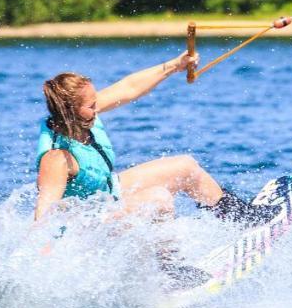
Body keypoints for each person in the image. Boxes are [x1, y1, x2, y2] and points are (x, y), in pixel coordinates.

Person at [34, 51, 278, 227]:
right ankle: (170, 270)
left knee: (185, 166)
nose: (98, 107)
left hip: (107, 194)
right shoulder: (56, 158)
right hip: (85, 225)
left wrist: (175, 65)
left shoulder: (85, 114)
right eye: (92, 105)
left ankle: (238, 217)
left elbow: (128, 87)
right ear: (70, 110)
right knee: (158, 199)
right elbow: (44, 217)